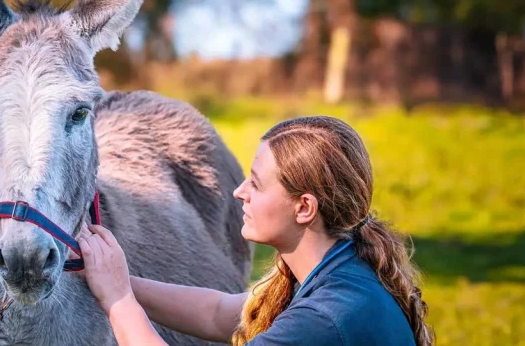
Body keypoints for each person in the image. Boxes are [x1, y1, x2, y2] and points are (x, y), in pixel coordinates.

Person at [77, 116, 434, 346]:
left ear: (305, 208)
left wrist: (118, 300)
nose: (239, 191)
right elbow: (217, 313)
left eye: (257, 185)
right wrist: (115, 280)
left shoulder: (324, 319)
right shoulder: (342, 269)